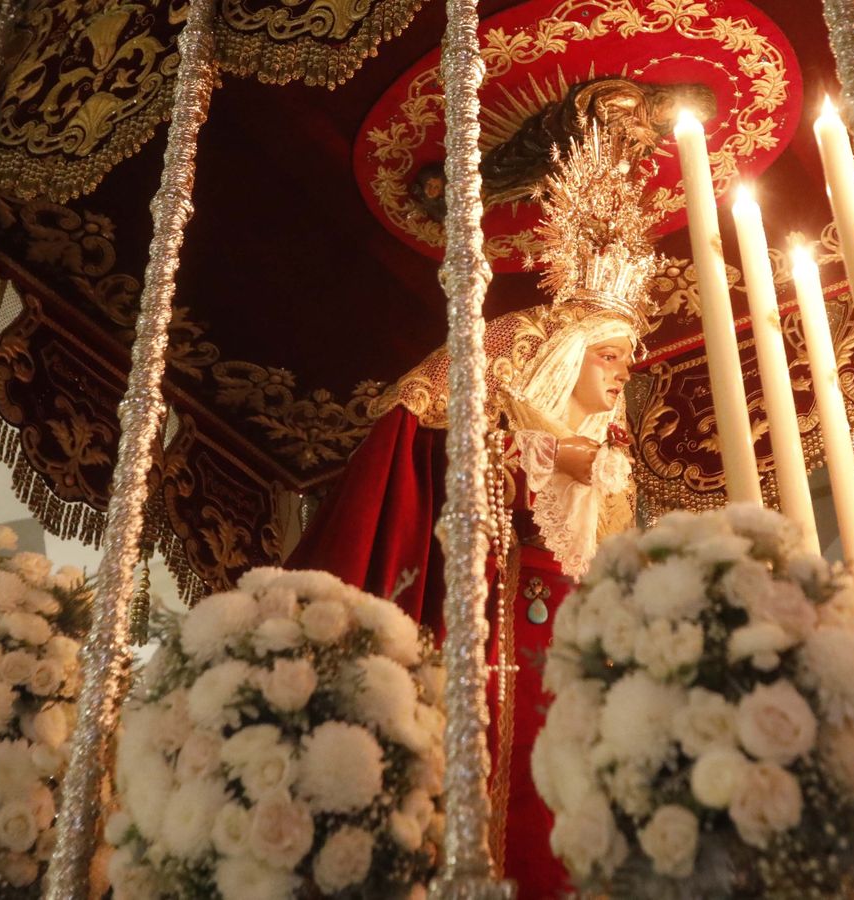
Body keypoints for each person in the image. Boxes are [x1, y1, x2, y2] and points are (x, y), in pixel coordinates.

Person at [288, 128, 660, 896]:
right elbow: (454, 454)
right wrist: (554, 458)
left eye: (628, 358)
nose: (624, 372)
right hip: (506, 631)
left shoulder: (614, 461)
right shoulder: (515, 421)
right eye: (609, 355)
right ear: (567, 354)